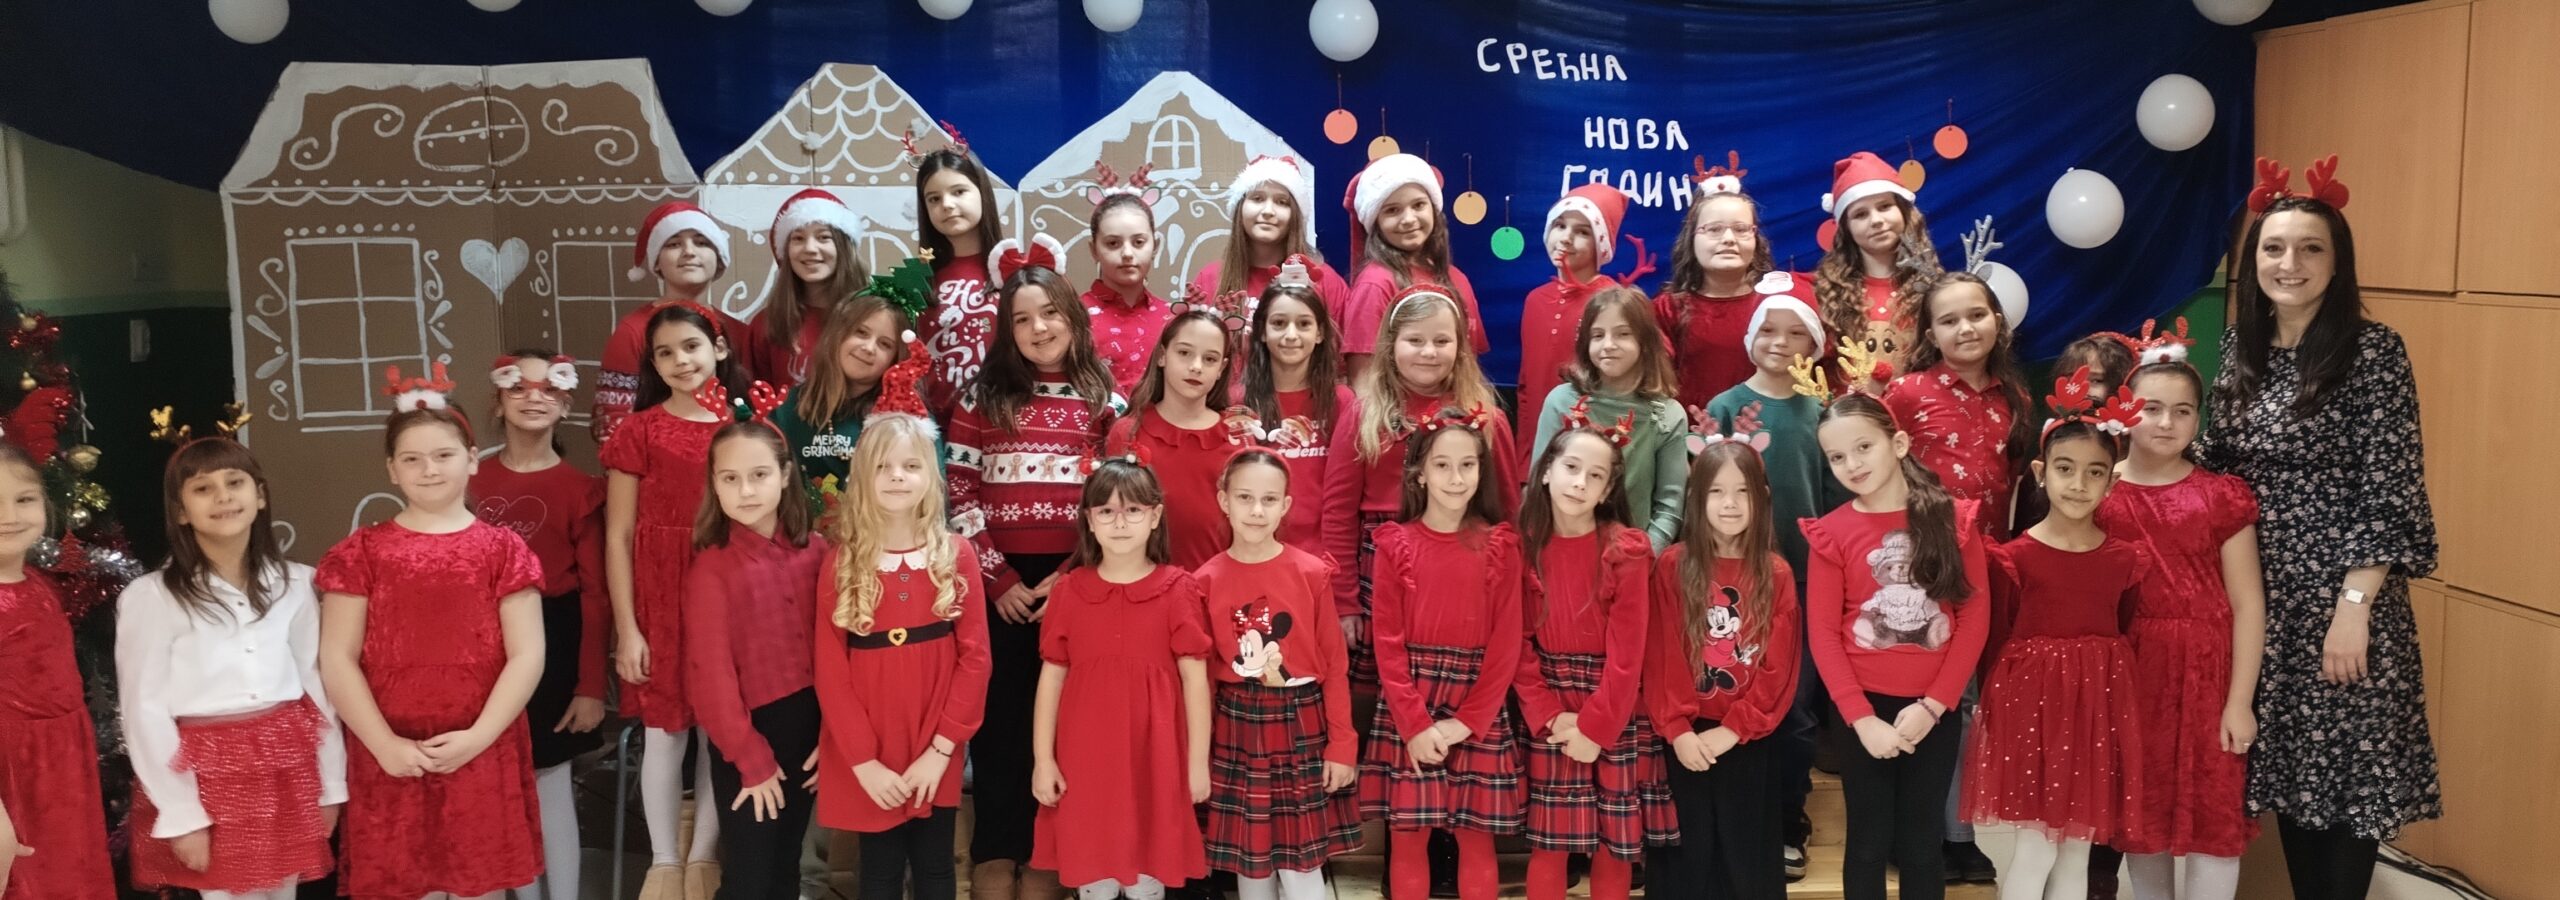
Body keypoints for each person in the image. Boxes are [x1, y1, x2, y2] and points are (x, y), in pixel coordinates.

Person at [2200, 155, 2438, 900]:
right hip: (2259, 603)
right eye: (2273, 248)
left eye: (2310, 249)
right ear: (2253, 261)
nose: (2290, 263)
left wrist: (2354, 608)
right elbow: (2213, 464)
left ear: (2338, 264)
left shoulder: (2374, 352)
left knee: (2343, 790)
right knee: (2296, 786)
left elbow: (2389, 489)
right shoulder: (2238, 349)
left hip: (2341, 605)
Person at [316, 369, 546, 899]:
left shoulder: (503, 550)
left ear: (472, 459)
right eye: (412, 459)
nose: (429, 470)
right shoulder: (361, 553)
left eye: (443, 455)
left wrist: (479, 737)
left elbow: (528, 654)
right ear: (392, 470)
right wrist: (383, 744)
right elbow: (337, 657)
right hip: (390, 755)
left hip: (480, 747)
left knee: (478, 885)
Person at [947, 236, 1121, 900]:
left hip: (1078, 578)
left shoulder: (1103, 398)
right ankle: (998, 849)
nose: (1038, 328)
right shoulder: (981, 397)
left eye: (1049, 313)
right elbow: (960, 492)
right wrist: (998, 580)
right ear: (1006, 331)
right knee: (1001, 719)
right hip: (1000, 581)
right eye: (1021, 319)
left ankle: (1051, 851)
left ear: (1072, 318)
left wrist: (1076, 571)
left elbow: (1115, 496)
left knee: (1066, 721)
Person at [122, 433, 344, 900]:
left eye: (234, 482)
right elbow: (144, 710)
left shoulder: (295, 584)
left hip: (286, 768)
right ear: (181, 511)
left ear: (259, 496)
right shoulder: (153, 597)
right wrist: (182, 813)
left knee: (282, 892)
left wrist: (330, 787)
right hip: (209, 778)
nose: (223, 497)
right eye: (203, 489)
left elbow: (316, 688)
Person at [1962, 366, 2153, 900]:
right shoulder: (2015, 558)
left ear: (2112, 481)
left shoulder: (2124, 560)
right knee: (2037, 847)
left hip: (2095, 713)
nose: (2079, 484)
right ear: (2042, 473)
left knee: (2077, 851)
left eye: (2095, 472)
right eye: (2066, 469)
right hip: (2032, 715)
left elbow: (2121, 629)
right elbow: (1996, 642)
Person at [1801, 390, 1990, 900]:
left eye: (1863, 447)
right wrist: (1860, 718)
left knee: (1922, 843)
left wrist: (1934, 706)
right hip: (1860, 711)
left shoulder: (1952, 521)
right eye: (1837, 457)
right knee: (1867, 842)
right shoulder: (1832, 533)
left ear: (1899, 443)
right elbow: (1823, 633)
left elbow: (1974, 617)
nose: (1852, 464)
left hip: (1933, 710)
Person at [2099, 341, 2266, 900]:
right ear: (2125, 409)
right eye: (2151, 408)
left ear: (2199, 418)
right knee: (2142, 811)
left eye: (2183, 411)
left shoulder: (2220, 496)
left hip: (2207, 674)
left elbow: (2247, 603)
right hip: (2134, 672)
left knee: (2213, 815)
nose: (2166, 423)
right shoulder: (2100, 491)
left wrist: (2239, 702)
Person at [601, 304, 755, 899]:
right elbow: (618, 535)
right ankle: (664, 861)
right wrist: (628, 628)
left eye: (690, 346)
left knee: (722, 728)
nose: (679, 361)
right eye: (664, 353)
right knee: (665, 733)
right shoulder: (638, 431)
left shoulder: (745, 425)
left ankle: (703, 858)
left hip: (728, 594)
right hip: (659, 600)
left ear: (719, 349)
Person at [812, 389, 990, 900]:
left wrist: (942, 749)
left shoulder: (956, 555)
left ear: (930, 475)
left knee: (936, 867)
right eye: (883, 466)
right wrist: (863, 761)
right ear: (862, 477)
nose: (896, 476)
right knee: (879, 870)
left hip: (936, 737)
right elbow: (830, 669)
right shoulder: (842, 562)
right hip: (871, 742)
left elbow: (976, 659)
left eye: (910, 466)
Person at [1356, 411, 1526, 900]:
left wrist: (1469, 721)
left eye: (1467, 465)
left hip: (1478, 702)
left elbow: (1506, 644)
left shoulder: (1501, 545)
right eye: (1443, 465)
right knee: (1409, 835)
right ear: (1419, 474)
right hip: (1411, 701)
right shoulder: (1395, 544)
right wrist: (1414, 724)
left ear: (1481, 471)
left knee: (1476, 836)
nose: (1456, 478)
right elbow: (1387, 644)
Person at [1030, 459, 1214, 899]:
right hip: (1085, 762)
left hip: (1155, 761)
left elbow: (1196, 683)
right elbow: (1051, 680)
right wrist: (1043, 759)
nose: (1119, 522)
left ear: (1154, 516)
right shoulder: (1069, 591)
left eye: (1132, 510)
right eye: (1106, 511)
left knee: (1148, 868)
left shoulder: (1178, 589)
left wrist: (1196, 765)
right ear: (1089, 520)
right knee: (1093, 868)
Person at [1512, 426, 1673, 900]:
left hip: (1613, 705)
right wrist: (1548, 714)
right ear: (1546, 472)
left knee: (1613, 846)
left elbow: (1629, 654)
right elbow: (1516, 643)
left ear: (1607, 491)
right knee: (1549, 844)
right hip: (1551, 702)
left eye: (1595, 475)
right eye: (1571, 467)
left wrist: (1595, 728)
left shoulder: (1626, 550)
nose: (1580, 482)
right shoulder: (1521, 546)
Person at [685, 381, 832, 899]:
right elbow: (710, 678)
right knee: (749, 874)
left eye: (759, 475)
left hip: (811, 730)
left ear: (786, 475)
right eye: (730, 478)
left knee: (787, 864)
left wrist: (832, 736)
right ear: (714, 485)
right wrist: (751, 759)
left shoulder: (816, 553)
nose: (746, 491)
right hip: (749, 736)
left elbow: (835, 654)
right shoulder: (712, 569)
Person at [1194, 450, 1361, 900]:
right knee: (1250, 860)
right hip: (1236, 726)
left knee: (1301, 861)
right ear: (1224, 500)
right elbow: (1203, 681)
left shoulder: (1311, 573)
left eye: (1269, 499)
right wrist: (1198, 753)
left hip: (1301, 722)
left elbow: (1335, 666)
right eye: (1244, 497)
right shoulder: (1204, 581)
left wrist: (1342, 745)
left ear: (1286, 505)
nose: (1256, 510)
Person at [1644, 437, 1801, 900]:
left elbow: (1779, 666)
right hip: (1684, 739)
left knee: (1745, 862)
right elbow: (1661, 654)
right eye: (1716, 491)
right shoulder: (1673, 566)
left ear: (1762, 497)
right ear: (1697, 498)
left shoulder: (1776, 573)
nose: (1729, 503)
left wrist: (1735, 728)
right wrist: (1678, 729)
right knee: (1686, 862)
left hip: (1746, 739)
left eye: (1742, 492)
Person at [0, 438, 116, 900]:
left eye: (24, 499)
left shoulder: (40, 584)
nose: (9, 516)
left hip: (60, 770)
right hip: (12, 780)